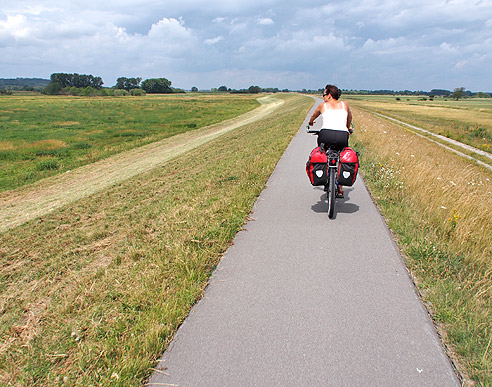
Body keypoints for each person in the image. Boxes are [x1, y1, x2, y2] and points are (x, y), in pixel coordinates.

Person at [308, 84, 353, 197]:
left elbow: (314, 115)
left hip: (326, 134)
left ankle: (324, 177)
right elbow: (349, 118)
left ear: (329, 95)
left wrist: (310, 122)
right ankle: (341, 188)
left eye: (324, 94)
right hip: (342, 136)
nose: (323, 97)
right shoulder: (345, 104)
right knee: (341, 156)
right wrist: (347, 128)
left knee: (322, 153)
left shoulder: (323, 105)